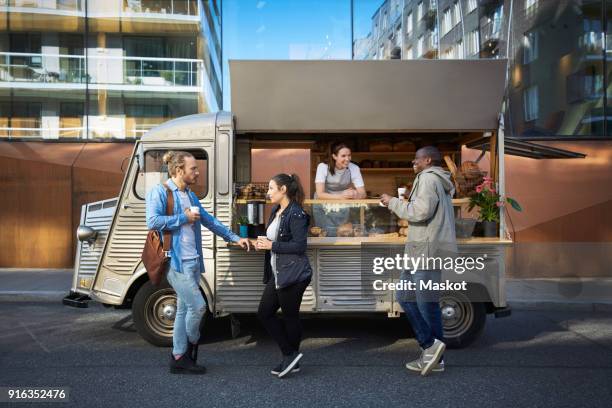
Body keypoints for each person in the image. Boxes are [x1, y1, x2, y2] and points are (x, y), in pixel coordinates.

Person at [146, 150, 252, 375]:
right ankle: (190, 348)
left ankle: (178, 357)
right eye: (193, 168)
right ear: (178, 170)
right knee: (199, 306)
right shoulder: (160, 192)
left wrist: (235, 238)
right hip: (175, 262)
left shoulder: (191, 196)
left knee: (184, 309)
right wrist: (184, 218)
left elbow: (209, 221)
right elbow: (153, 221)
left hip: (193, 261)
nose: (197, 172)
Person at [380, 146, 457, 376]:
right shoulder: (437, 180)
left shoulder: (427, 179)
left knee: (426, 304)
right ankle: (430, 347)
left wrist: (392, 202)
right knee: (404, 296)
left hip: (426, 251)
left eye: (416, 159)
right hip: (422, 250)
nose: (413, 162)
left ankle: (435, 356)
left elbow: (420, 212)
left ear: (427, 159)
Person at [256, 173, 312, 379]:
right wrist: (261, 243)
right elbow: (274, 239)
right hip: (279, 273)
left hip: (294, 274)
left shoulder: (296, 214)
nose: (268, 192)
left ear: (283, 190)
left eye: (271, 188)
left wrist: (272, 245)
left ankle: (290, 357)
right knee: (264, 313)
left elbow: (299, 246)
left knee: (290, 316)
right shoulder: (276, 211)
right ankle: (291, 355)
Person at [313, 142, 366, 236]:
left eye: (349, 155)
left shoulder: (354, 168)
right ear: (334, 156)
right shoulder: (323, 167)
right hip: (323, 204)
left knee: (341, 233)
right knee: (324, 234)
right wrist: (341, 196)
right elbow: (320, 193)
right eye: (343, 156)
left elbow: (363, 193)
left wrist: (355, 194)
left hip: (342, 206)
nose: (347, 159)